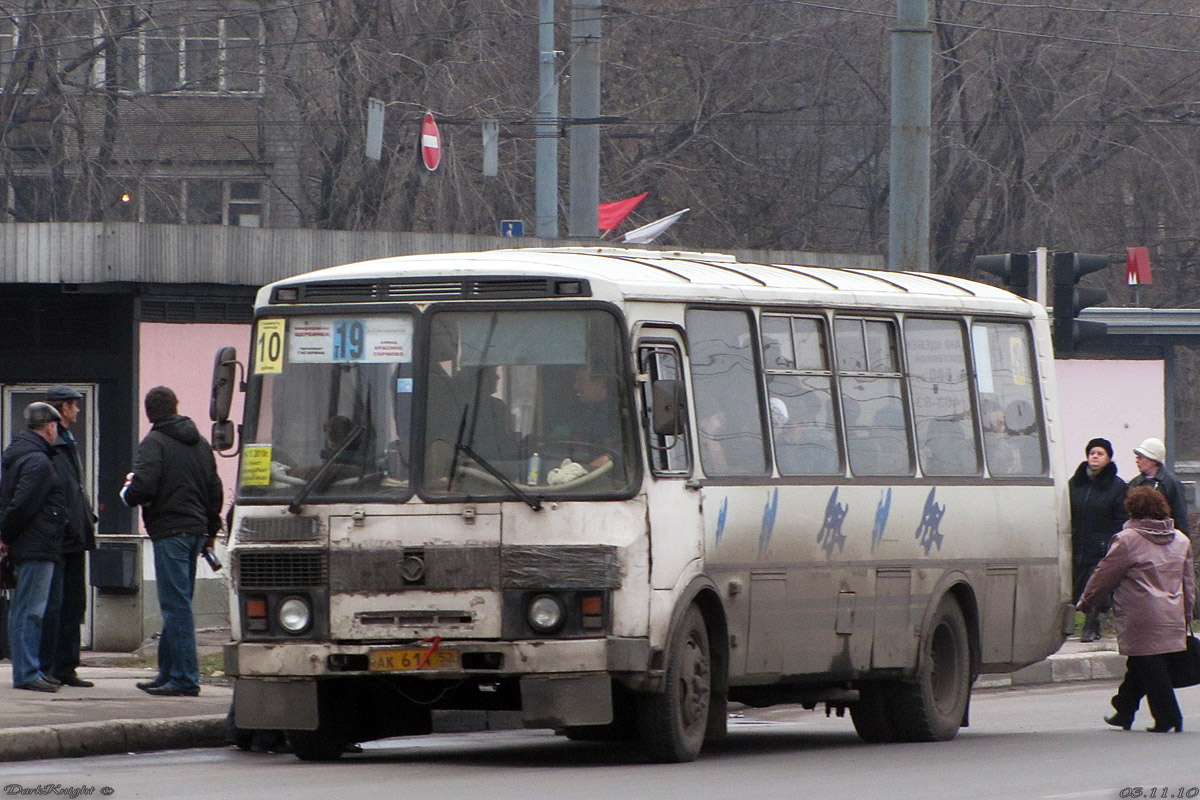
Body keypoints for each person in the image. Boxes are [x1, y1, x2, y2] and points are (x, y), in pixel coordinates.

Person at [121, 386, 224, 697]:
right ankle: (166, 672)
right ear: (176, 407)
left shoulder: (154, 443)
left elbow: (145, 486)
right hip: (196, 533)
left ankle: (184, 678)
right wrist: (210, 530)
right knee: (179, 603)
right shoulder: (200, 443)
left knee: (175, 607)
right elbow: (214, 490)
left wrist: (129, 492)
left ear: (150, 412)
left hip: (170, 532)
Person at [1079, 486, 1194, 733]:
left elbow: (1104, 576)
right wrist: (1187, 615)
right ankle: (1124, 709)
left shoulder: (1128, 540)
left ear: (1131, 510)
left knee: (1150, 665)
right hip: (1172, 613)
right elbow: (1188, 583)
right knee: (1141, 662)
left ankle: (1169, 717)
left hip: (1140, 615)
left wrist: (1087, 603)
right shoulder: (1181, 540)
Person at [0, 402, 69, 692]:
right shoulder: (38, 461)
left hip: (29, 543)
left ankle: (28, 669)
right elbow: (23, 504)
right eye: (56, 428)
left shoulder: (20, 457)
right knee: (30, 610)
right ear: (50, 427)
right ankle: (28, 671)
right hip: (37, 544)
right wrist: (5, 535)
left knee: (24, 609)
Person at [39, 385, 98, 688]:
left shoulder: (68, 441)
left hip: (75, 533)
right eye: (74, 405)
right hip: (58, 534)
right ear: (63, 408)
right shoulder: (49, 444)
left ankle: (66, 666)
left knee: (74, 603)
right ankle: (47, 666)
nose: (77, 410)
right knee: (54, 603)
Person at [1069, 437, 1128, 642]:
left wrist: (1114, 543)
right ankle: (1089, 622)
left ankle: (1090, 626)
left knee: (1093, 585)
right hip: (1077, 544)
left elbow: (1121, 518)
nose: (1095, 456)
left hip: (1102, 545)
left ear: (1108, 459)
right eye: (1092, 453)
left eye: (1100, 453)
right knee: (1076, 587)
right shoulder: (1075, 483)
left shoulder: (1117, 486)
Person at [1128, 437, 1191, 539]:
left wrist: (1183, 542)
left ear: (1153, 460)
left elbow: (1180, 516)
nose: (1137, 461)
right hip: (1139, 539)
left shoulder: (1171, 483)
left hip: (1165, 539)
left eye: (1140, 457)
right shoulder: (1135, 483)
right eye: (1137, 457)